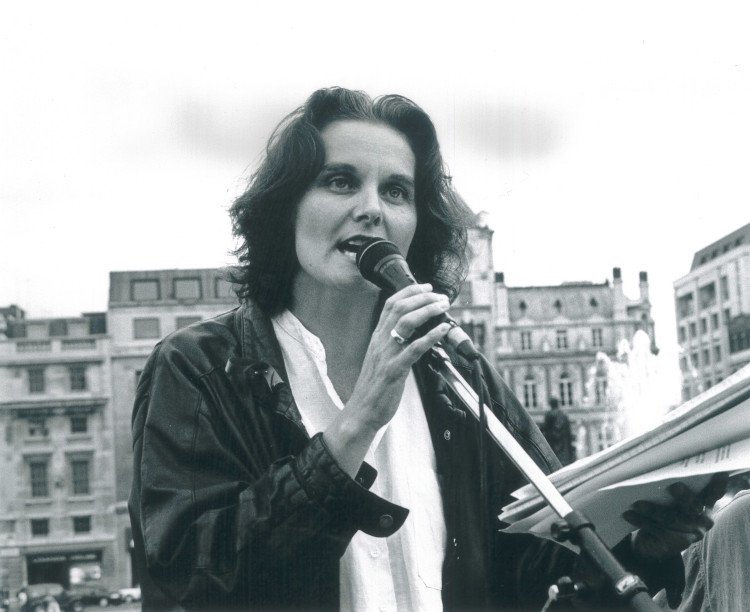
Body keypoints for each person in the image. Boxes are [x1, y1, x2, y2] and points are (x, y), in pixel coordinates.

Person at [129, 87, 722, 611]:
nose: (372, 208)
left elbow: (536, 567)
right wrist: (358, 421)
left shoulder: (456, 371)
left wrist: (641, 547)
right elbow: (188, 579)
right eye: (340, 181)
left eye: (396, 191)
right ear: (286, 208)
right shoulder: (197, 367)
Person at [541, 397, 575, 466]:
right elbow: (568, 431)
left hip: (553, 442)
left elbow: (545, 427)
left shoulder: (549, 414)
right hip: (564, 443)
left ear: (551, 405)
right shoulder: (563, 415)